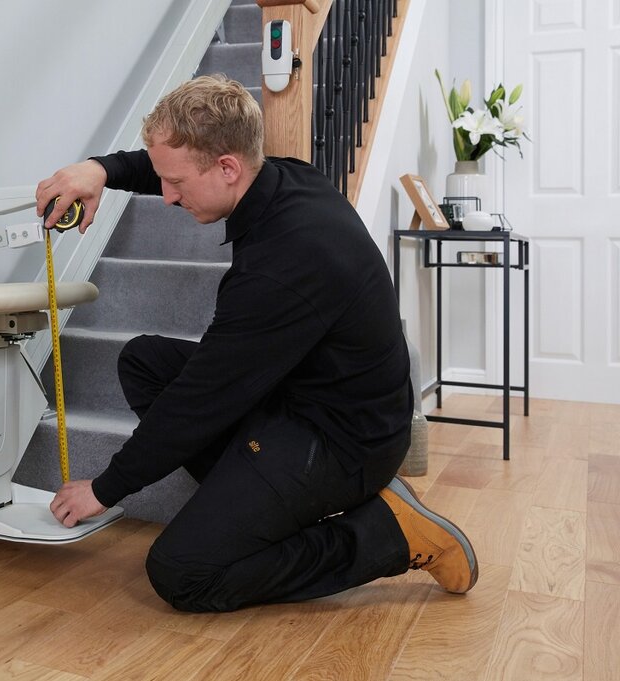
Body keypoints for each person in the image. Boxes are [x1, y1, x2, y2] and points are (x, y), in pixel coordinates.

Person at [36, 75, 477, 613]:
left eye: (175, 183)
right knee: (144, 362)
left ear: (228, 168)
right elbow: (180, 165)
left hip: (346, 440)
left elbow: (201, 399)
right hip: (300, 396)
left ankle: (388, 535)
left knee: (181, 573)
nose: (167, 196)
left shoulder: (285, 266)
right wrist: (100, 169)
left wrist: (105, 488)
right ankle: (258, 500)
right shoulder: (285, 177)